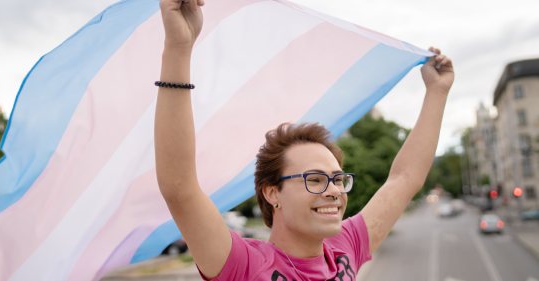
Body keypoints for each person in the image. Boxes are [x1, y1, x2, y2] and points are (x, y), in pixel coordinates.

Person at [154, 0, 454, 280]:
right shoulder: (244, 265)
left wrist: (437, 92)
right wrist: (178, 48)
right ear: (273, 193)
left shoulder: (345, 248)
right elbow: (179, 187)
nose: (334, 191)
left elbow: (404, 178)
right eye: (315, 179)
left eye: (338, 179)